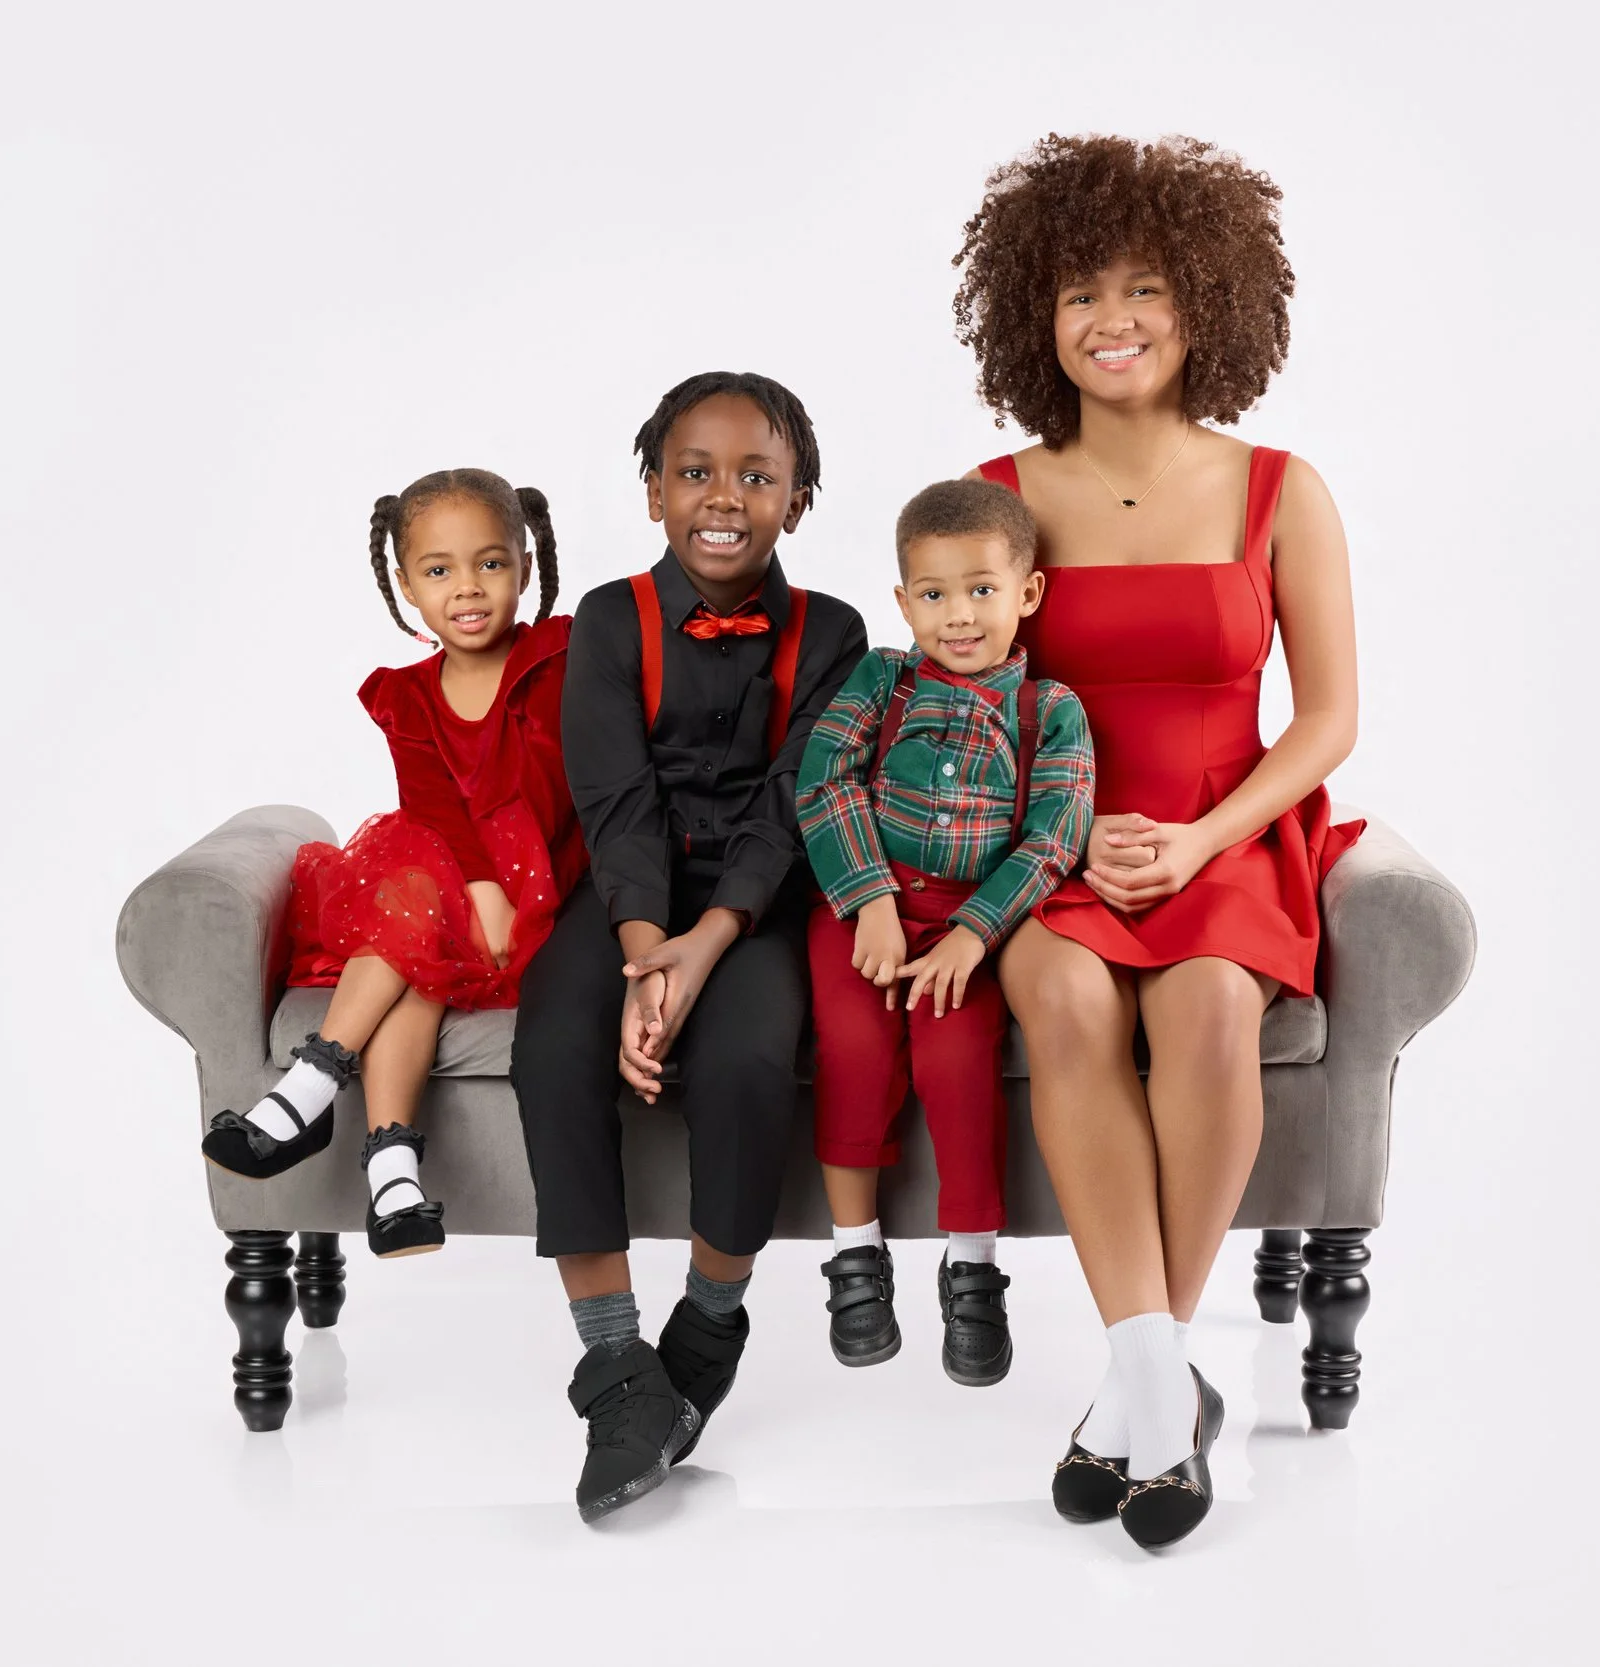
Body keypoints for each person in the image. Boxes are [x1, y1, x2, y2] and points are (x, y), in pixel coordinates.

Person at [951, 134, 1366, 1550]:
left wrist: (1199, 845)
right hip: (1049, 833)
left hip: (1227, 834)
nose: (1111, 318)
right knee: (1063, 998)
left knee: (1203, 1015)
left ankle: (1138, 1374)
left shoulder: (1280, 489)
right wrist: (1063, 840)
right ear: (1033, 314)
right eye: (1078, 291)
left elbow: (1327, 721)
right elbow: (960, 705)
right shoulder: (997, 494)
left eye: (1144, 287)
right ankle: (1156, 1386)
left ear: (1209, 302)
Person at [509, 372, 868, 1522]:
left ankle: (708, 1323)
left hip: (760, 896)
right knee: (553, 1040)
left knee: (751, 1057)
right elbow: (611, 798)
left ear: (798, 500)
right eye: (697, 472)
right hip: (633, 893)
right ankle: (617, 1366)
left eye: (757, 475)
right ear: (655, 489)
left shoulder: (837, 632)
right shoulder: (611, 620)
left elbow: (798, 799)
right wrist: (641, 953)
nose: (726, 496)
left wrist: (707, 946)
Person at [200, 469, 581, 1263]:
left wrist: (503, 898)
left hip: (550, 891)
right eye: (439, 571)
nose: (467, 589)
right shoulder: (407, 698)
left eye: (491, 563)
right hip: (455, 898)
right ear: (406, 585)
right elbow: (437, 815)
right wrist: (478, 892)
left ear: (525, 565)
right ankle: (393, 1173)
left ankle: (315, 1096)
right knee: (413, 911)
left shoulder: (563, 655)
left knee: (414, 927)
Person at [794, 479, 1093, 1387]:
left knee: (957, 1062)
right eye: (932, 594)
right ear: (902, 601)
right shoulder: (883, 678)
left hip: (972, 924)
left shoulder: (1051, 710)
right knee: (851, 1047)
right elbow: (823, 780)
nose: (957, 616)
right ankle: (856, 1258)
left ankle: (973, 1266)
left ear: (1026, 593)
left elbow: (1054, 837)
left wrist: (972, 934)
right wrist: (870, 899)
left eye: (980, 590)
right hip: (864, 907)